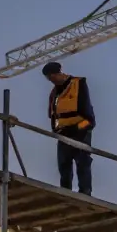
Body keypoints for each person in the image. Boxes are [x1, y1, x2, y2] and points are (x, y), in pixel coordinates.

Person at [42, 61, 95, 195]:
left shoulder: (78, 84)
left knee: (82, 162)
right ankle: (65, 192)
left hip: (81, 131)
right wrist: (57, 131)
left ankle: (85, 192)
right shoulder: (54, 93)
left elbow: (90, 119)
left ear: (60, 73)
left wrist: (78, 129)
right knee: (64, 164)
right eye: (49, 79)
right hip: (63, 133)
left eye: (53, 77)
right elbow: (53, 115)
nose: (52, 81)